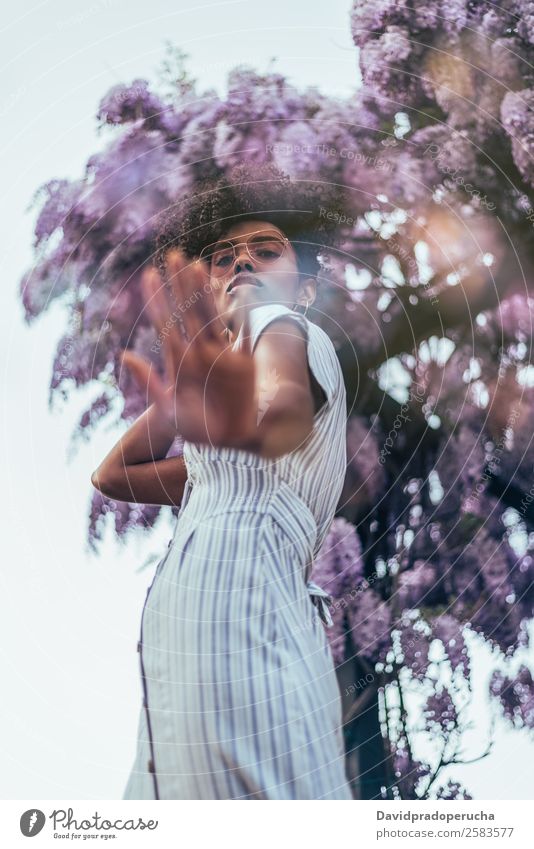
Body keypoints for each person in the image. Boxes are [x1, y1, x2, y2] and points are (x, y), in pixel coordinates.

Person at [91, 166, 353, 799]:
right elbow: (112, 475)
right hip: (210, 625)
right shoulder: (228, 440)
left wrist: (242, 422)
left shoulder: (285, 326)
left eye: (267, 251)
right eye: (222, 257)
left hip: (239, 604)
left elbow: (284, 410)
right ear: (206, 284)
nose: (242, 263)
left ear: (308, 288)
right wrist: (192, 402)